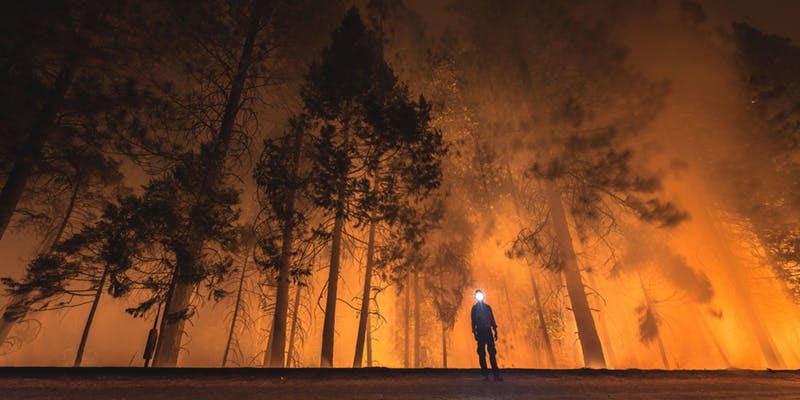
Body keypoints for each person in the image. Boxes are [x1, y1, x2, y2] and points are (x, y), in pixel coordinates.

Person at [471, 289, 502, 381]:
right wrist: (474, 332)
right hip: (480, 331)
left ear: (483, 296)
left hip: (488, 331)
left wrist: (495, 330)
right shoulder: (474, 309)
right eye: (477, 295)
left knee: (492, 353)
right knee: (481, 353)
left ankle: (496, 375)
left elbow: (492, 319)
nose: (479, 297)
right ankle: (485, 375)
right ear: (475, 297)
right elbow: (473, 321)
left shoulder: (488, 307)